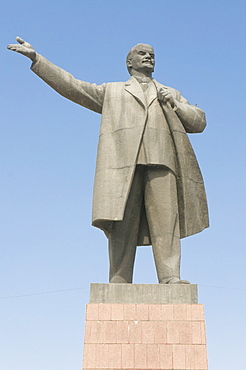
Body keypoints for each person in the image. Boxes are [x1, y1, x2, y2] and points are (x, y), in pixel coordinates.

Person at [8, 38, 209, 284]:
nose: (148, 57)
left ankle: (170, 277)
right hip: (124, 163)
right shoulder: (113, 91)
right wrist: (38, 59)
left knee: (167, 224)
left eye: (152, 54)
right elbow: (74, 87)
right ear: (129, 62)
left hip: (162, 161)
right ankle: (120, 278)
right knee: (121, 223)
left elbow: (198, 122)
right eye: (142, 53)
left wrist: (175, 104)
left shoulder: (169, 92)